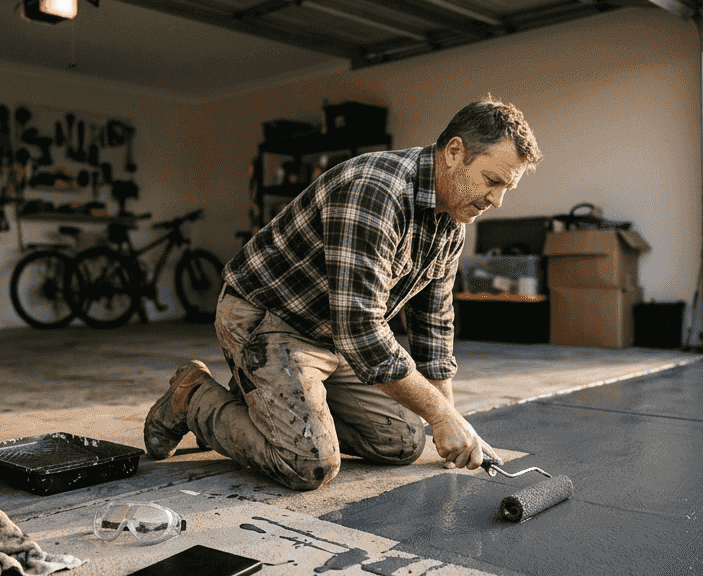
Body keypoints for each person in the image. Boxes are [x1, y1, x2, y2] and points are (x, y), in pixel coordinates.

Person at [143, 96, 541, 491]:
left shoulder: (451, 220)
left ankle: (266, 399)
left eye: (507, 187)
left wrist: (451, 419)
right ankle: (193, 395)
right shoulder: (376, 191)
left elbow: (433, 322)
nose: (496, 200)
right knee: (308, 464)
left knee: (403, 442)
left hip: (332, 334)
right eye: (493, 181)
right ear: (455, 151)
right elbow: (361, 330)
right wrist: (440, 415)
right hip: (269, 321)